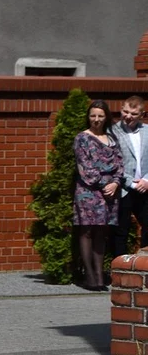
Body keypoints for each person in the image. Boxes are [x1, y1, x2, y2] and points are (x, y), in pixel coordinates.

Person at [73, 101, 123, 292]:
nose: (96, 119)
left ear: (106, 117)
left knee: (101, 232)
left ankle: (100, 275)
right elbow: (85, 167)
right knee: (86, 231)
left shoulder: (112, 138)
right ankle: (89, 276)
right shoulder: (82, 138)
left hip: (110, 193)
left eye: (100, 116)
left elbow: (120, 162)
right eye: (93, 115)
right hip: (88, 192)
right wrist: (104, 184)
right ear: (88, 116)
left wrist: (116, 182)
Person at [110, 96, 148, 258]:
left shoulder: (147, 130)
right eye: (125, 111)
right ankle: (119, 270)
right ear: (121, 109)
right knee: (121, 231)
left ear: (142, 114)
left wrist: (146, 180)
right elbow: (111, 163)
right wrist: (131, 183)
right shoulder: (112, 132)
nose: (128, 116)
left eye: (133, 113)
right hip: (123, 188)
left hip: (145, 187)